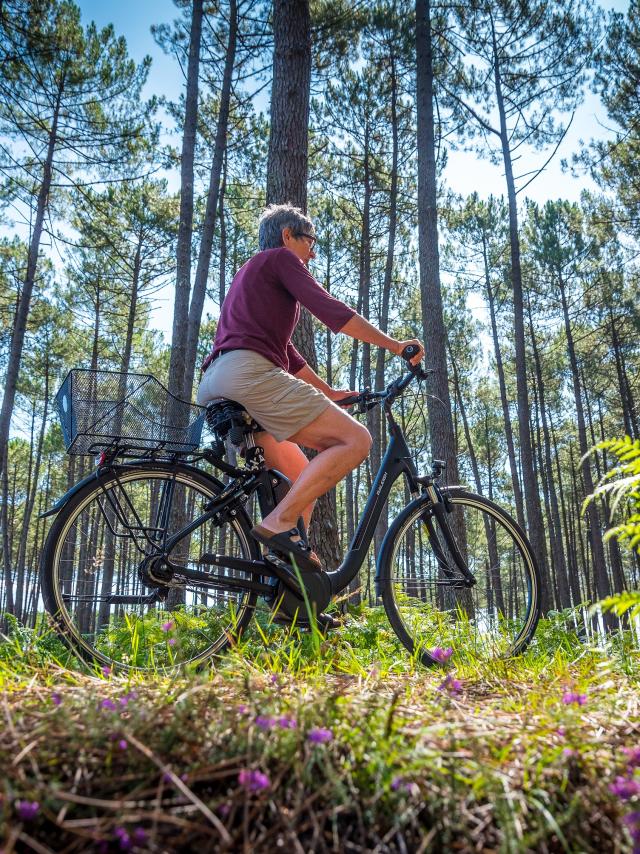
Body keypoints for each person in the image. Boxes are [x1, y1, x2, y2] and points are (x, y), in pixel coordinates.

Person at [197, 203, 424, 571]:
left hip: (217, 381)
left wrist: (329, 393)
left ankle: (291, 592)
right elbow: (329, 309)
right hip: (250, 376)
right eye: (310, 241)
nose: (313, 252)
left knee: (301, 479)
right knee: (356, 440)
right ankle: (277, 525)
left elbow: (287, 352)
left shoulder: (251, 273)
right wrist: (397, 346)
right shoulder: (280, 260)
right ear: (288, 235)